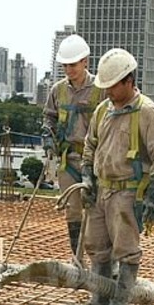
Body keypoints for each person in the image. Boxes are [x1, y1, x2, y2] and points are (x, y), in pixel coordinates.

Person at [68, 48, 154, 305]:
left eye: (112, 86)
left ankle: (119, 304)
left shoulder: (148, 113)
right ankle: (99, 298)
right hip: (101, 189)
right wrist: (87, 175)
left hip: (127, 191)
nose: (108, 92)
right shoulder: (103, 110)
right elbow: (91, 144)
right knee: (97, 246)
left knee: (126, 250)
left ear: (128, 81)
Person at [42, 34, 103, 261]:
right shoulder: (58, 91)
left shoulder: (100, 89)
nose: (69, 70)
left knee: (97, 211)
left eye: (73, 65)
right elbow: (49, 117)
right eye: (65, 65)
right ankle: (77, 258)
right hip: (69, 160)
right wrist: (48, 136)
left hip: (95, 161)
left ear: (85, 61)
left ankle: (101, 261)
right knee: (73, 210)